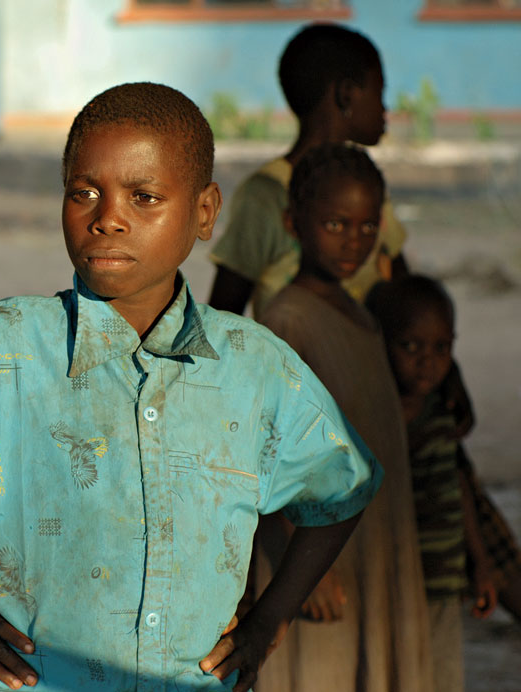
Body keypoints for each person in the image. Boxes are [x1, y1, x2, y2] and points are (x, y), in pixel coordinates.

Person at [0, 82, 384, 692]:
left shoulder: (254, 366)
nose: (108, 217)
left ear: (204, 213)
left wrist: (269, 619)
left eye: (144, 197)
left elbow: (342, 487)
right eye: (84, 193)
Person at [256, 143, 434, 692]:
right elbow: (262, 451)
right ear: (293, 223)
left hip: (373, 550)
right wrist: (298, 564)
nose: (353, 240)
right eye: (336, 223)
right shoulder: (286, 318)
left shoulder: (362, 314)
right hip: (317, 564)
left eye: (366, 226)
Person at [367, 275, 521, 689]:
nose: (427, 362)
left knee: (443, 676)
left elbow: (459, 493)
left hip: (443, 583)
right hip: (393, 589)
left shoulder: (439, 414)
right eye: (411, 347)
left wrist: (481, 563)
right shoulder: (372, 422)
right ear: (378, 344)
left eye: (442, 348)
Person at [208, 22, 406, 318]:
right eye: (379, 92)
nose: (384, 109)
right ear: (347, 95)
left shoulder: (363, 184)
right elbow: (223, 314)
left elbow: (403, 290)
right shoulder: (265, 195)